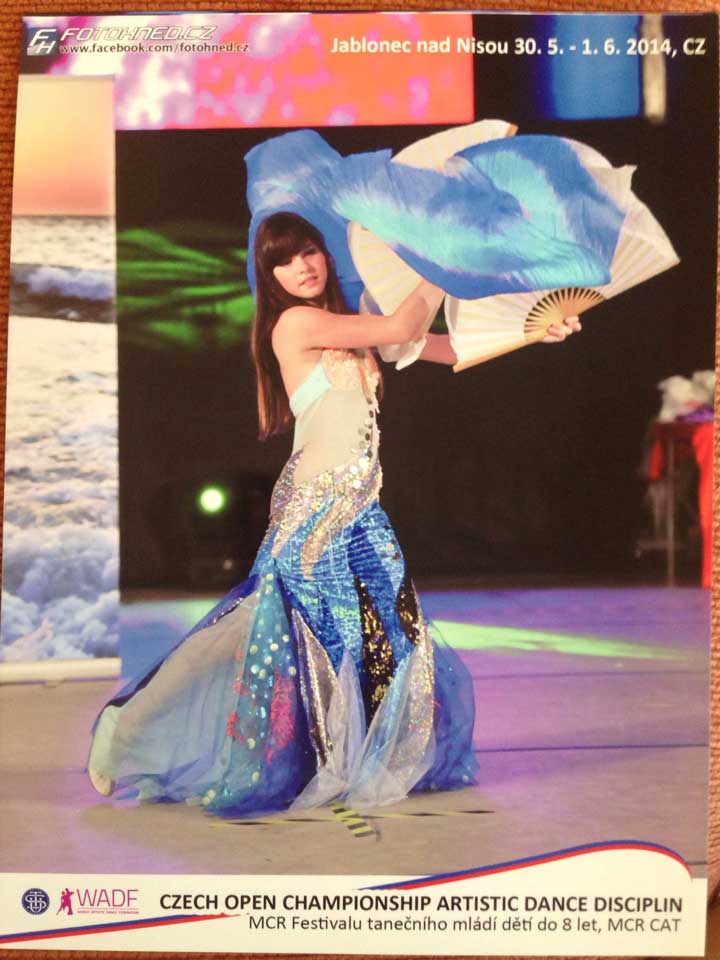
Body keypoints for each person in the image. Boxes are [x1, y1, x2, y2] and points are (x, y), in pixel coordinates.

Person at [88, 211, 579, 816]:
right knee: (252, 636)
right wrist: (441, 263)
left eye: (309, 252)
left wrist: (533, 331)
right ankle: (125, 731)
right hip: (314, 512)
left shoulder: (351, 325)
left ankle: (363, 755)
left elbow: (439, 346)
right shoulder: (295, 324)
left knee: (388, 636)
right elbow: (404, 323)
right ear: (270, 276)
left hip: (361, 512)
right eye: (284, 261)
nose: (302, 267)